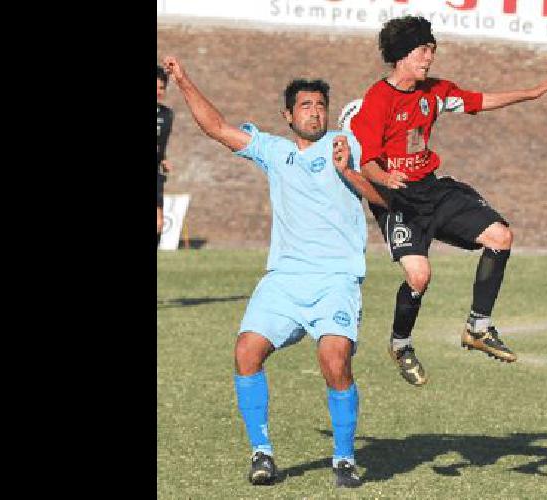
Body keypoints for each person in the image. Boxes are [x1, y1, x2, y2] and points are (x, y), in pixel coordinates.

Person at [163, 55, 387, 488]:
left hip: (336, 280)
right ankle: (261, 453)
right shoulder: (274, 151)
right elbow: (217, 128)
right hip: (284, 279)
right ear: (288, 115)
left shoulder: (346, 143)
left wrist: (350, 168)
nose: (315, 112)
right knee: (246, 351)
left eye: (320, 105)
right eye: (305, 105)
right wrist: (184, 80)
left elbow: (381, 196)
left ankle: (343, 459)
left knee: (334, 359)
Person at [347, 16, 547, 386]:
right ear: (401, 54)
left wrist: (528, 94)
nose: (429, 57)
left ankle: (478, 327)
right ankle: (401, 345)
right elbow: (365, 162)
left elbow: (478, 100)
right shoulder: (377, 100)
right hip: (396, 199)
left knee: (500, 237)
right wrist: (386, 179)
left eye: (432, 50)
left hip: (432, 189)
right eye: (423, 50)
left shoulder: (435, 91)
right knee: (419, 275)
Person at [157, 64, 175, 248]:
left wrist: (163, 158)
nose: (158, 91)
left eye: (161, 87)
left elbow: (161, 145)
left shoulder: (167, 114)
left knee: (159, 223)